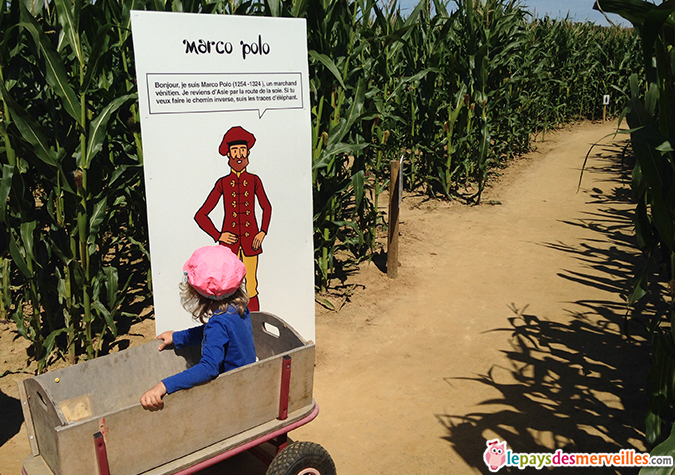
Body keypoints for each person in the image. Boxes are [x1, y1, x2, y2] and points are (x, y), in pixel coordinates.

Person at [140, 245, 257, 410]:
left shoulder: (218, 323)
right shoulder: (238, 308)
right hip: (249, 380)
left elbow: (208, 368)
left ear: (196, 293)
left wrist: (163, 385)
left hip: (232, 393)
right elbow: (217, 335)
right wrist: (177, 337)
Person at [194, 126, 272, 312]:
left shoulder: (254, 180)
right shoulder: (223, 183)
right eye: (235, 150)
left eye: (243, 150)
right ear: (228, 154)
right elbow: (201, 215)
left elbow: (266, 207)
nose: (239, 155)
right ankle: (230, 323)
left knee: (251, 285)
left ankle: (254, 325)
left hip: (251, 242)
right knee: (228, 286)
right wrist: (218, 235)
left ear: (248, 153)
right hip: (230, 247)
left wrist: (262, 232)